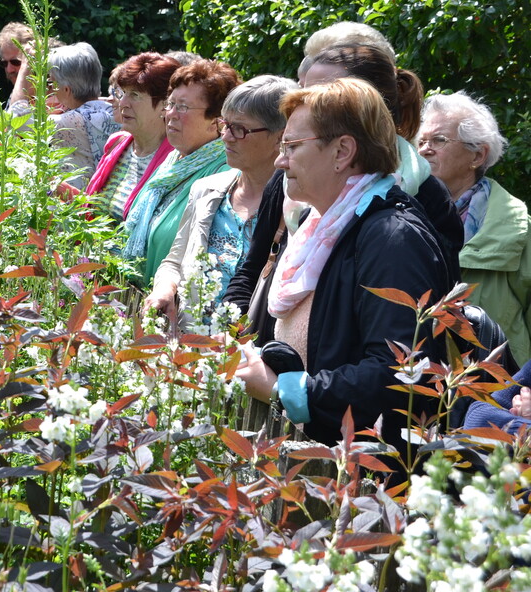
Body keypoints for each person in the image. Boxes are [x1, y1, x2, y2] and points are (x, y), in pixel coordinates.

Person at [234, 79, 453, 449]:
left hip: (361, 476)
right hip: (314, 460)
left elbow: (399, 369)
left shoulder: (391, 238)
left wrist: (283, 389)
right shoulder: (319, 224)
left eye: (291, 146)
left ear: (342, 152)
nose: (279, 160)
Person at [225, 43, 463, 341]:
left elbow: (398, 353)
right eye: (305, 88)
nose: (306, 102)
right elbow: (253, 266)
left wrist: (297, 386)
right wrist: (229, 336)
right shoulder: (293, 183)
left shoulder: (401, 224)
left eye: (325, 91)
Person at [145, 75, 297, 326]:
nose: (225, 136)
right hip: (190, 349)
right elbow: (174, 261)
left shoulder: (296, 206)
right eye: (225, 125)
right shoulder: (207, 190)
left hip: (251, 354)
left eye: (239, 129)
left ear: (280, 138)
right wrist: (165, 288)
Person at [419, 92, 531, 366]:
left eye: (438, 140)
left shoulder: (517, 229)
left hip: (495, 390)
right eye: (420, 141)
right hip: (414, 384)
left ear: (477, 155)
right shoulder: (402, 216)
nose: (424, 149)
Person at [123, 60, 241, 285]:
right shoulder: (172, 160)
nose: (171, 115)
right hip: (134, 299)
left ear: (216, 121)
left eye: (183, 107)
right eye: (170, 104)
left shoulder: (225, 174)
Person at [85, 53, 180, 221]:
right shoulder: (117, 142)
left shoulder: (176, 159)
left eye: (135, 95)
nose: (122, 103)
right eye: (123, 93)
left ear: (165, 104)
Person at [43, 42, 120, 188]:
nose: (50, 89)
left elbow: (15, 114)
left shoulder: (61, 123)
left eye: (51, 83)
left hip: (77, 206)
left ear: (66, 90)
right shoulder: (116, 112)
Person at [0, 22, 34, 88]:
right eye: (4, 63)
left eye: (16, 62)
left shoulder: (54, 92)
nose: (9, 70)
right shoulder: (15, 95)